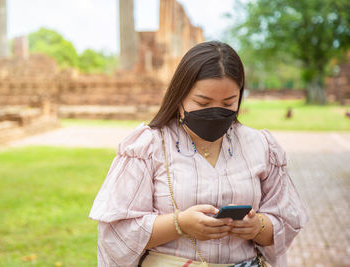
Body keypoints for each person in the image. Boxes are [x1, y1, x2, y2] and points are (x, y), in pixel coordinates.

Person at [89, 41, 307, 267]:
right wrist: (179, 224)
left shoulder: (261, 146)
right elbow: (117, 231)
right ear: (180, 95)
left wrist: (257, 226)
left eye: (228, 103)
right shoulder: (148, 146)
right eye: (203, 102)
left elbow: (286, 221)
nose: (215, 111)